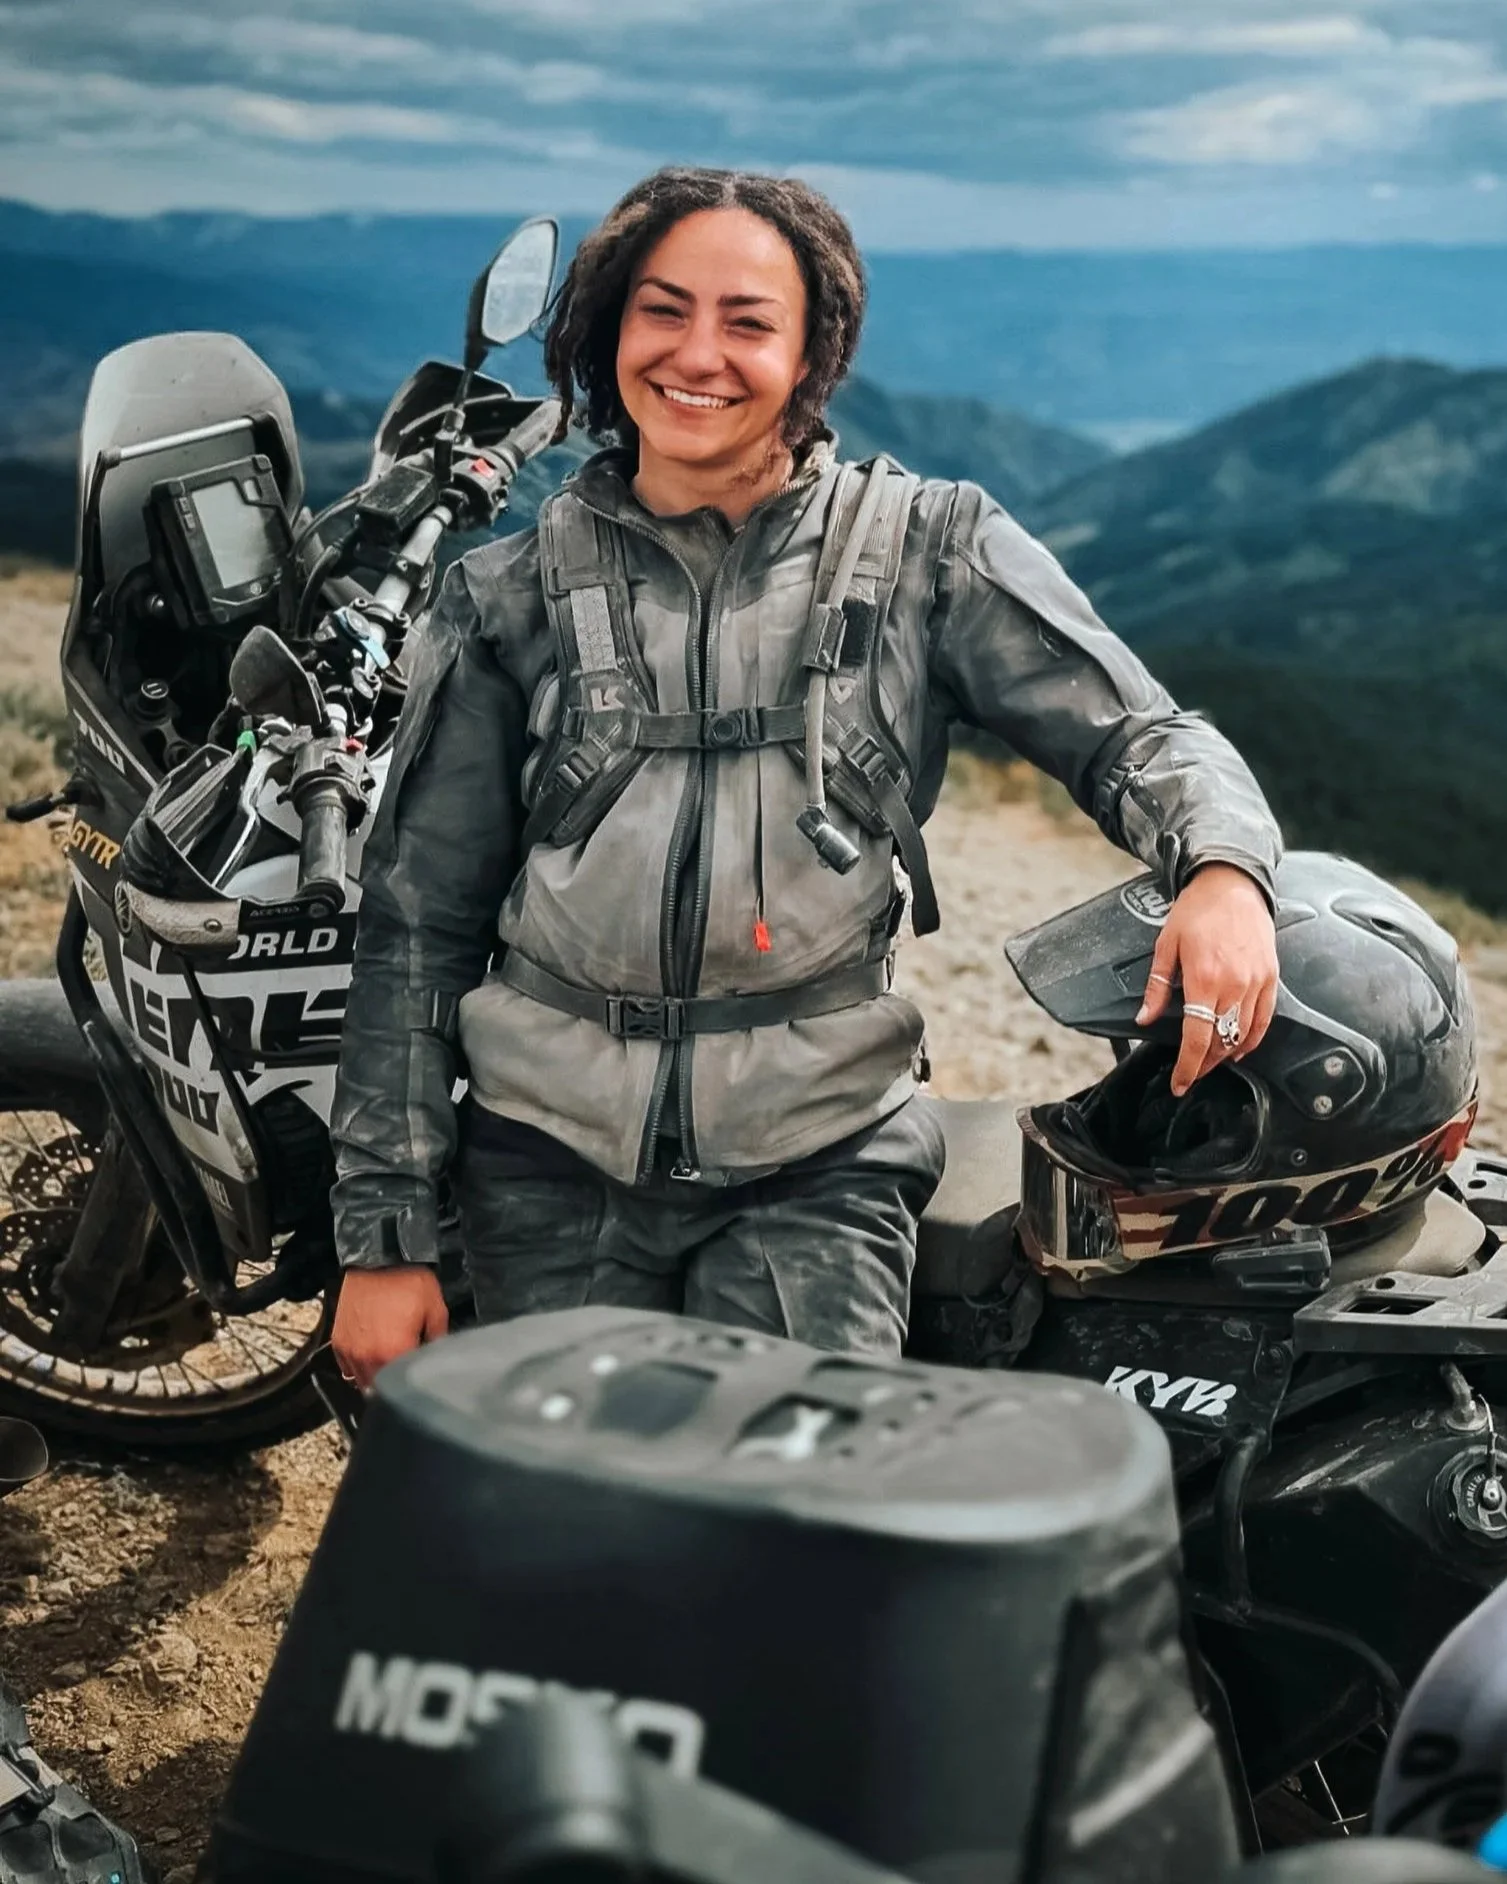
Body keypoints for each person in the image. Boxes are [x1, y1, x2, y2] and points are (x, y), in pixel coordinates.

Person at [328, 166, 1281, 1390]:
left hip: (816, 1164)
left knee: (789, 1552)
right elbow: (417, 926)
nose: (697, 354)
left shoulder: (929, 553)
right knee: (572, 1552)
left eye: (748, 322)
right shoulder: (508, 593)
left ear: (813, 352)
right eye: (662, 310)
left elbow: (1141, 736)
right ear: (608, 328)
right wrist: (389, 1235)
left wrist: (1221, 869)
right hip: (542, 1167)